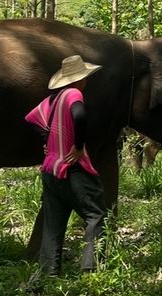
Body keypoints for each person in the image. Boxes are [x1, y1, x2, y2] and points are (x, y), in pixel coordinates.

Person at [25, 54, 106, 276]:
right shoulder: (73, 93)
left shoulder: (52, 100)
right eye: (85, 77)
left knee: (54, 223)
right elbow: (79, 115)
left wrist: (47, 139)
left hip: (51, 170)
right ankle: (92, 269)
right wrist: (78, 146)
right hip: (73, 169)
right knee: (95, 215)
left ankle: (49, 273)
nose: (86, 81)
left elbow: (31, 118)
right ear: (79, 79)